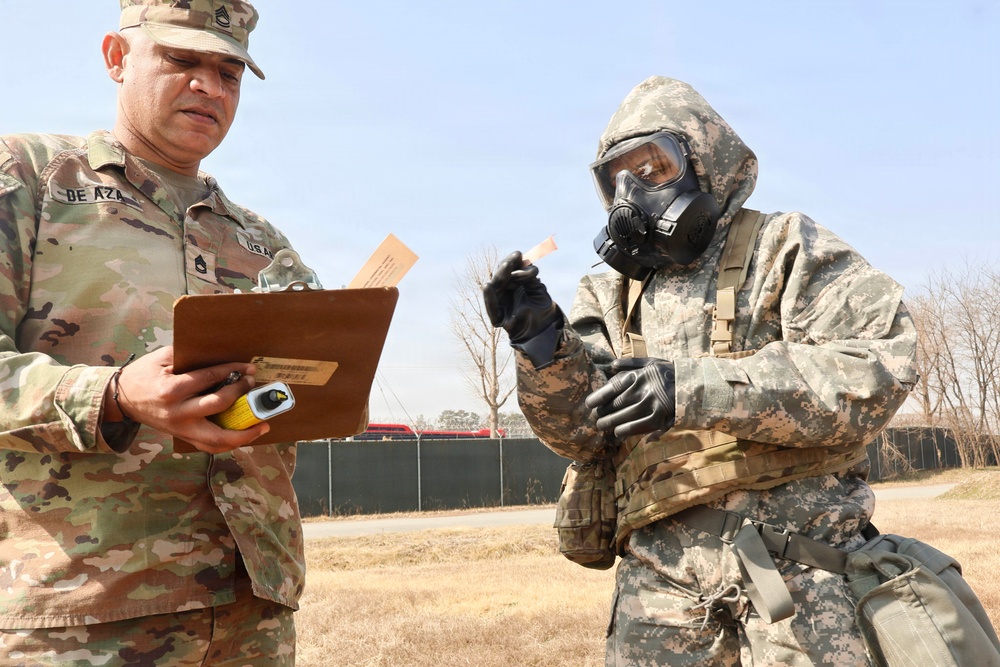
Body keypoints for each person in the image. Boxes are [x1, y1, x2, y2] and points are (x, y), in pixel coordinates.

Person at [484, 76, 918, 666]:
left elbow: (876, 368)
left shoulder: (786, 245)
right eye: (620, 178)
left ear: (705, 163)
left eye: (655, 167)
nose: (634, 191)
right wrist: (540, 346)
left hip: (802, 576)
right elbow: (579, 434)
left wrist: (690, 388)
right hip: (657, 595)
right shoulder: (607, 293)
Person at [0, 1, 303, 664]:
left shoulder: (260, 242)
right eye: (182, 60)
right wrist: (113, 394)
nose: (210, 86)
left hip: (250, 612)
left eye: (229, 72)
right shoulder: (28, 181)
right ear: (116, 56)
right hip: (86, 615)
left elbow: (305, 388)